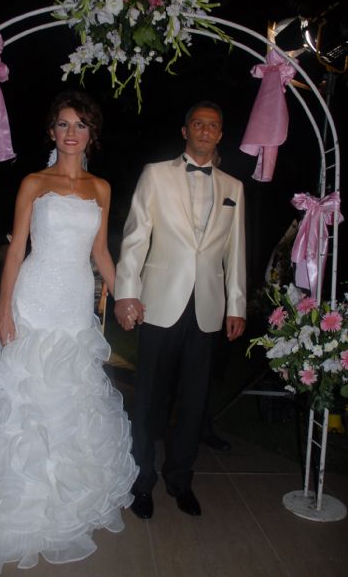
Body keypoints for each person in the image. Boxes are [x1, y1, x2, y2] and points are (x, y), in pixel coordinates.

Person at [0, 90, 138, 574]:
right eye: (63, 124)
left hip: (74, 305)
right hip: (34, 298)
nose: (71, 133)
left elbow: (101, 253)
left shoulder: (101, 188)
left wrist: (123, 295)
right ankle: (13, 512)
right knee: (20, 398)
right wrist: (4, 310)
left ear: (91, 134)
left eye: (80, 124)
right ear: (51, 132)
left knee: (70, 398)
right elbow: (17, 250)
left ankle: (62, 508)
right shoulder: (34, 183)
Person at [114, 100, 246, 519]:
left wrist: (237, 304)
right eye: (198, 123)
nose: (206, 130)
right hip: (158, 302)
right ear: (185, 130)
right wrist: (126, 293)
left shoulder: (234, 187)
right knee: (149, 397)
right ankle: (142, 480)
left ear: (220, 134)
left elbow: (236, 251)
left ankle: (180, 478)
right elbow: (136, 236)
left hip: (208, 305)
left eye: (213, 125)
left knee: (194, 399)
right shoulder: (156, 174)